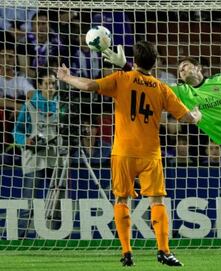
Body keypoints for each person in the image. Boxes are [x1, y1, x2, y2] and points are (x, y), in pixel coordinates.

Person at [103, 45, 221, 252]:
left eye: (186, 66)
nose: (182, 70)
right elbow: (149, 84)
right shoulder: (182, 92)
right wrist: (126, 66)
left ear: (199, 68)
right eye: (180, 70)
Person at [57, 41, 201, 267]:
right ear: (155, 63)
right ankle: (163, 251)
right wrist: (196, 116)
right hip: (150, 153)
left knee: (121, 199)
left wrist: (66, 77)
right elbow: (186, 119)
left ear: (135, 61)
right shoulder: (161, 88)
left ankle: (126, 251)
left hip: (123, 151)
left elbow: (88, 86)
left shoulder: (121, 79)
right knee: (157, 201)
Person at [12, 69, 60, 237]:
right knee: (28, 200)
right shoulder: (30, 104)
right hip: (35, 157)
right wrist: (25, 141)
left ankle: (56, 237)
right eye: (46, 83)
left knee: (57, 202)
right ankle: (21, 237)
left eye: (53, 83)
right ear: (39, 86)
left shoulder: (62, 106)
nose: (50, 87)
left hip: (56, 158)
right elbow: (16, 131)